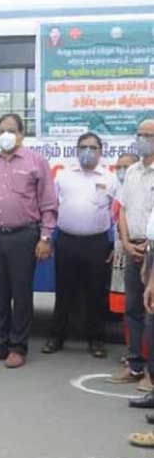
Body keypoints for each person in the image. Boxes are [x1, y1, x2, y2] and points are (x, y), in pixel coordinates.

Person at [0, 113, 57, 369]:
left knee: (21, 294)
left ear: (21, 134)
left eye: (10, 130)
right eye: (0, 131)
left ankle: (18, 347)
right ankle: (0, 345)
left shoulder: (36, 162)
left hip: (25, 235)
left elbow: (49, 203)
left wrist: (45, 237)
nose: (5, 135)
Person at [44, 132, 116, 358]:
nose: (88, 151)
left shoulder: (110, 178)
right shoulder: (63, 177)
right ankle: (57, 336)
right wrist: (46, 237)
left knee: (96, 292)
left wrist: (115, 245)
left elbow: (116, 214)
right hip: (67, 241)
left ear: (100, 151)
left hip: (97, 243)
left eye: (93, 148)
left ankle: (96, 339)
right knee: (64, 291)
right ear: (76, 150)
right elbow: (51, 208)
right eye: (83, 146)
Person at [111, 119, 154, 387]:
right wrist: (126, 242)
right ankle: (135, 363)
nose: (141, 139)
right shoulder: (133, 172)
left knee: (152, 312)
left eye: (147, 135)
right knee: (133, 309)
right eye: (138, 134)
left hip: (152, 250)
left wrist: (147, 249)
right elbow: (123, 209)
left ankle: (152, 373)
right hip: (132, 247)